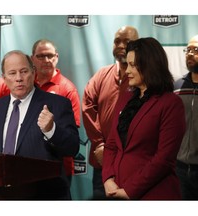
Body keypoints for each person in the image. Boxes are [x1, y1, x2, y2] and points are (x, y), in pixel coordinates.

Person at [0, 50, 80, 200]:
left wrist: (51, 130)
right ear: (4, 78)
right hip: (5, 197)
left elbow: (72, 147)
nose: (19, 78)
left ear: (33, 72)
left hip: (45, 196)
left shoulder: (57, 104)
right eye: (12, 73)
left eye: (24, 71)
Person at [102, 37, 186, 200]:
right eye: (128, 64)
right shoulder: (125, 98)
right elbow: (111, 145)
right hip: (117, 191)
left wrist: (130, 190)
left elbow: (164, 159)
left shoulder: (171, 103)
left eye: (133, 65)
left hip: (154, 195)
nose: (127, 71)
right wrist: (108, 179)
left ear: (150, 65)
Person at [82, 26, 139, 199]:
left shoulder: (142, 77)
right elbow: (87, 106)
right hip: (102, 163)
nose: (121, 45)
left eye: (127, 42)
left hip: (131, 165)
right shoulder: (102, 74)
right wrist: (99, 145)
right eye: (117, 41)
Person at [31, 39, 80, 185]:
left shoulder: (68, 89)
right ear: (32, 58)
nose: (46, 60)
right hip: (28, 163)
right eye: (40, 56)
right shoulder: (26, 85)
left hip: (58, 167)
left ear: (56, 57)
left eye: (50, 55)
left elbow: (71, 132)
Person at [174, 35, 198, 200]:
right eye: (188, 50)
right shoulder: (176, 87)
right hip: (180, 170)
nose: (190, 54)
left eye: (195, 50)